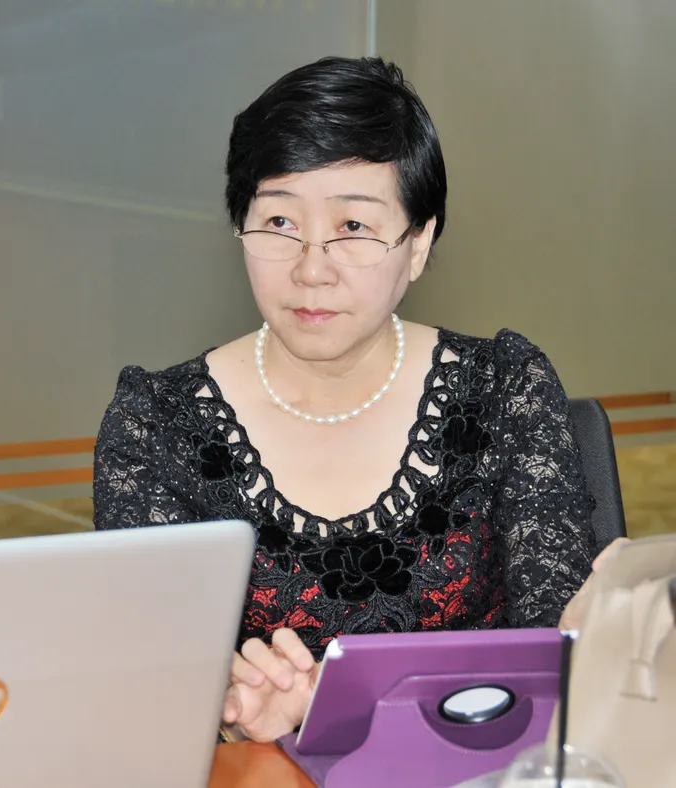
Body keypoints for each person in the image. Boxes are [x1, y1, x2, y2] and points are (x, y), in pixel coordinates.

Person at [92, 56, 621, 744]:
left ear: (418, 242)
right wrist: (231, 717)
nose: (312, 269)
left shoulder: (505, 391)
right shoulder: (155, 424)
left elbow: (555, 656)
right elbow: (148, 691)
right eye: (279, 221)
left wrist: (602, 628)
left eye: (352, 228)